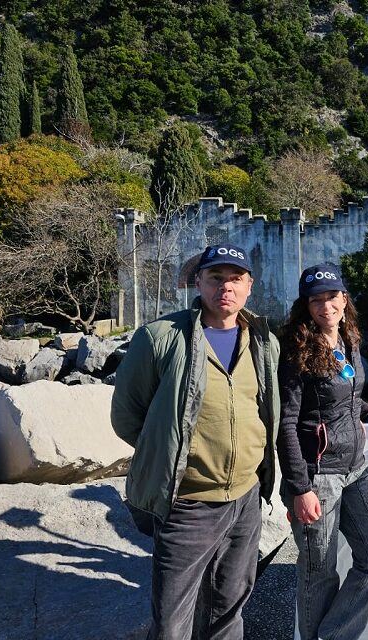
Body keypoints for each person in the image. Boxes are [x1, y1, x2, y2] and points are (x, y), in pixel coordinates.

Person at [111, 242, 280, 638]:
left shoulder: (263, 340)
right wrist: (172, 454)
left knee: (229, 608)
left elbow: (269, 408)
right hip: (187, 503)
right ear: (198, 283)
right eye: (216, 277)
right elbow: (126, 417)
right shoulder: (160, 338)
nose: (226, 286)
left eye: (235, 278)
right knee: (172, 620)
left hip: (246, 499)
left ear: (249, 286)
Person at [277, 263, 368, 640]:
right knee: (319, 573)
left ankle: (332, 635)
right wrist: (300, 487)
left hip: (355, 467)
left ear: (344, 299)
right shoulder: (298, 350)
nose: (325, 305)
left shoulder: (348, 339)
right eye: (316, 300)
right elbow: (287, 423)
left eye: (332, 296)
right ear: (306, 306)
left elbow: (348, 394)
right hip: (319, 474)